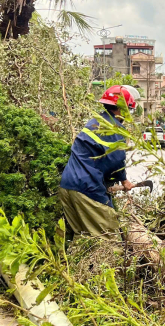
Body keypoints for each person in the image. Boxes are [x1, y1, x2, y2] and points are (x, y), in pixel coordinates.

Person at [58, 85, 136, 237]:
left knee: (84, 239)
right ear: (122, 109)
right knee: (110, 242)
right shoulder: (114, 128)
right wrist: (124, 181)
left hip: (67, 186)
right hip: (87, 189)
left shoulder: (93, 122)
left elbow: (96, 158)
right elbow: (116, 160)